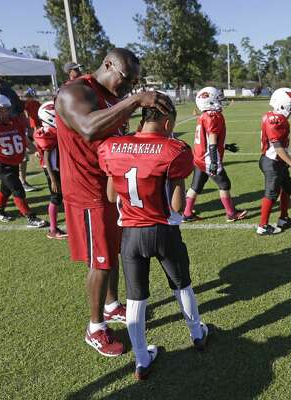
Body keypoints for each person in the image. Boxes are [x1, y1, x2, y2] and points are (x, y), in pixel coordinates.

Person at [55, 47, 174, 357]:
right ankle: (95, 328)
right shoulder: (74, 91)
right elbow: (89, 127)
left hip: (109, 185)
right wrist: (133, 101)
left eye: (132, 84)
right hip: (86, 191)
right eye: (125, 79)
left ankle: (111, 306)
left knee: (114, 250)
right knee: (102, 259)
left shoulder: (112, 95)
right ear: (107, 65)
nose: (127, 87)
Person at [98, 105, 210, 380]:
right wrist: (177, 186)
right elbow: (176, 205)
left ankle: (141, 359)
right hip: (162, 231)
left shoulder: (113, 146)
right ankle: (197, 334)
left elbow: (112, 197)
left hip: (131, 236)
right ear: (167, 122)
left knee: (136, 297)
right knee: (181, 283)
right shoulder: (173, 150)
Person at [0, 94, 47, 228]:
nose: (4, 112)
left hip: (13, 161)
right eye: (0, 110)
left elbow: (25, 139)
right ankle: (30, 217)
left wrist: (35, 149)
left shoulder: (15, 122)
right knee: (17, 188)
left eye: (5, 109)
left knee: (6, 189)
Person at [182, 87, 247, 223]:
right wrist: (213, 161)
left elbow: (208, 139)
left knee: (195, 186)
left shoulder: (205, 115)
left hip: (199, 157)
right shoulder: (213, 116)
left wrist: (225, 146)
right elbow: (212, 141)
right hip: (207, 158)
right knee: (224, 184)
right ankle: (231, 213)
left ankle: (187, 213)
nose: (220, 100)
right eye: (217, 98)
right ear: (210, 101)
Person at [257, 88, 291, 236]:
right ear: (283, 105)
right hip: (272, 162)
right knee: (271, 194)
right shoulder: (276, 120)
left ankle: (283, 218)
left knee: (288, 188)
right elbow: (277, 148)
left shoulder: (273, 116)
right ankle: (262, 226)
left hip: (278, 162)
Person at [33, 101, 67, 239]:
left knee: (65, 196)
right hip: (53, 170)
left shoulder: (53, 130)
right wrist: (53, 179)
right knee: (56, 198)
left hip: (59, 168)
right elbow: (47, 158)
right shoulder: (49, 132)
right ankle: (53, 229)